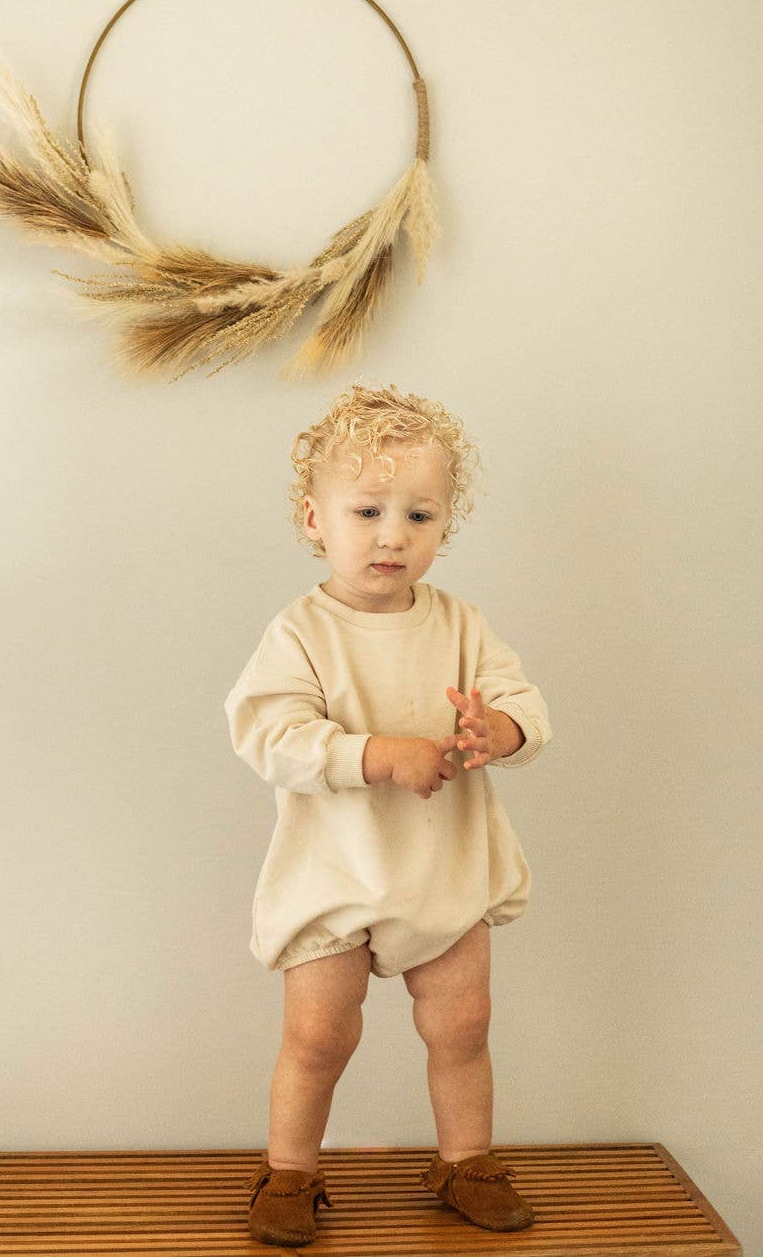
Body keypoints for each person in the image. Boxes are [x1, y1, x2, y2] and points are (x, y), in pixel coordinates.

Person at [225, 383, 553, 1246]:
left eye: (420, 515)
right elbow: (270, 733)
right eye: (367, 509)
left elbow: (523, 700)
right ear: (313, 519)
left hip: (443, 867)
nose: (392, 535)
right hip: (333, 873)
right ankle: (291, 1172)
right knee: (318, 1037)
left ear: (444, 527)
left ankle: (465, 1160)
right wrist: (374, 753)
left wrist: (501, 729)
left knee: (464, 1026)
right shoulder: (299, 632)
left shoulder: (462, 625)